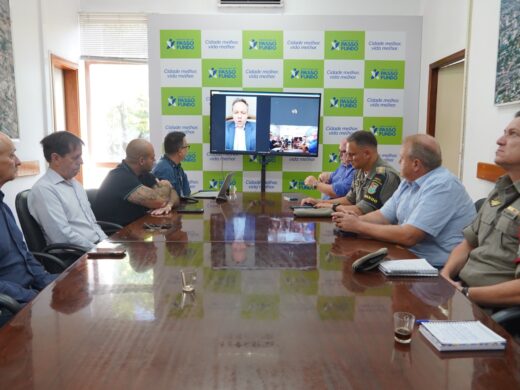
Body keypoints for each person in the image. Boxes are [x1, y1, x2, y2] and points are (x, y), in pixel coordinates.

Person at [333, 134, 475, 267]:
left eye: (402, 158)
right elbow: (382, 216)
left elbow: (409, 236)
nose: (398, 161)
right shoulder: (408, 182)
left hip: (435, 267)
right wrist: (354, 220)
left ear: (416, 164)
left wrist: (358, 226)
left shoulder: (443, 186)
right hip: (408, 256)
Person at [441, 113, 520, 307]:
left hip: (494, 308)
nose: (500, 140)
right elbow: (469, 243)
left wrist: (465, 293)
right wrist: (445, 275)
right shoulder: (500, 189)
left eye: (513, 134)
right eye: (504, 133)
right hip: (463, 292)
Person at [0, 133, 57, 312]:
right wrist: (32, 297)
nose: (18, 162)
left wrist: (49, 282)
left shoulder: (3, 206)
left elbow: (24, 255)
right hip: (9, 305)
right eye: (11, 155)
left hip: (28, 293)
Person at [28, 131, 106, 249]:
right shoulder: (43, 190)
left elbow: (92, 223)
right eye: (76, 157)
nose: (81, 161)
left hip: (93, 247)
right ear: (56, 158)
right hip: (73, 254)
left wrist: (106, 242)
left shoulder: (75, 184)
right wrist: (97, 250)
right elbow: (62, 236)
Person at [302, 130, 400, 216]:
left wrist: (328, 205)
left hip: (377, 233)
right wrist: (319, 202)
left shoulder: (383, 175)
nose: (348, 158)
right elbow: (349, 200)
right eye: (347, 154)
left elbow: (361, 210)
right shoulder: (360, 171)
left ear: (367, 154)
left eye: (352, 154)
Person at [93, 139, 180, 226]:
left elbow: (174, 194)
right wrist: (166, 186)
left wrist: (169, 204)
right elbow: (159, 201)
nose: (154, 160)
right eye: (152, 158)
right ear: (142, 161)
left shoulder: (144, 174)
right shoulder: (119, 177)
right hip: (114, 234)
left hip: (135, 228)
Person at [152, 131, 191, 198]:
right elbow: (169, 200)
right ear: (180, 151)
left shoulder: (177, 166)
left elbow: (186, 194)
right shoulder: (165, 169)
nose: (188, 149)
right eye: (186, 146)